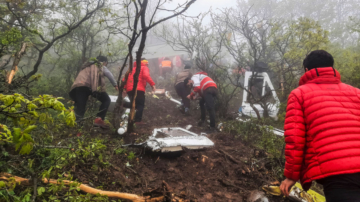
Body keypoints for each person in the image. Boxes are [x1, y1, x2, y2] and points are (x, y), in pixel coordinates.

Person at [280, 50, 360, 202]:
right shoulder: (356, 93)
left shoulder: (299, 94)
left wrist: (291, 176)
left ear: (306, 70)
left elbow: (295, 139)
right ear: (331, 67)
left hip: (338, 174)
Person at [69, 56, 118, 129]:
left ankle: (77, 126)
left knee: (80, 107)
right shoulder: (100, 65)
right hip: (89, 86)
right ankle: (99, 119)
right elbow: (109, 74)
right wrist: (115, 85)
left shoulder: (86, 66)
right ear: (104, 62)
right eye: (106, 64)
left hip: (78, 87)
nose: (105, 65)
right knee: (106, 100)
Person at [123, 59, 156, 124]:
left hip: (129, 90)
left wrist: (124, 89)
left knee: (134, 104)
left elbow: (124, 79)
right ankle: (137, 121)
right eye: (147, 64)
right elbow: (146, 76)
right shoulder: (144, 67)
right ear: (145, 63)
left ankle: (124, 105)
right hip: (139, 89)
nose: (148, 65)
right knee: (140, 105)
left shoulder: (131, 69)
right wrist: (152, 84)